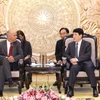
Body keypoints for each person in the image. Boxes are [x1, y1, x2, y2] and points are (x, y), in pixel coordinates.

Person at [65, 28, 98, 97]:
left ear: (80, 35)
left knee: (89, 67)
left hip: (86, 62)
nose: (73, 36)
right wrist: (71, 59)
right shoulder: (71, 44)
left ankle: (94, 88)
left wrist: (76, 59)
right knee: (73, 68)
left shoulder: (87, 44)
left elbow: (88, 55)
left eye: (75, 34)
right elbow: (66, 54)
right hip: (76, 64)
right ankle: (71, 89)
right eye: (73, 34)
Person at [0, 29, 23, 97]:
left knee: (1, 68)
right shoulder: (1, 44)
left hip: (13, 65)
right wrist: (6, 59)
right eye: (14, 35)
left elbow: (21, 54)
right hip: (3, 63)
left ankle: (0, 90)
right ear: (9, 36)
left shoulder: (17, 43)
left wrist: (14, 58)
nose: (16, 37)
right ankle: (10, 80)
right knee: (4, 61)